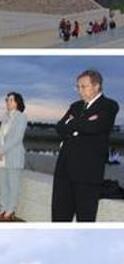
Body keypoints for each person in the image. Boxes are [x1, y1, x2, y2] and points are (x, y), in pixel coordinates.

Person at [52, 69, 119, 222]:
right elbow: (60, 128)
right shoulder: (75, 106)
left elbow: (94, 127)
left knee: (85, 219)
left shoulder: (109, 106)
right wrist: (83, 123)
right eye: (78, 87)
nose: (79, 90)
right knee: (59, 218)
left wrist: (73, 123)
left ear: (97, 86)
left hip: (87, 174)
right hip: (64, 171)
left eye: (84, 86)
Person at [0, 92, 28, 221]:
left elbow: (17, 138)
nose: (8, 102)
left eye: (10, 100)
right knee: (3, 185)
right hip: (2, 157)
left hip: (13, 156)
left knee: (13, 185)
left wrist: (2, 150)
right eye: (7, 100)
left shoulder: (21, 117)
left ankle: (10, 210)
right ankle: (3, 207)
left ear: (17, 102)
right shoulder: (5, 117)